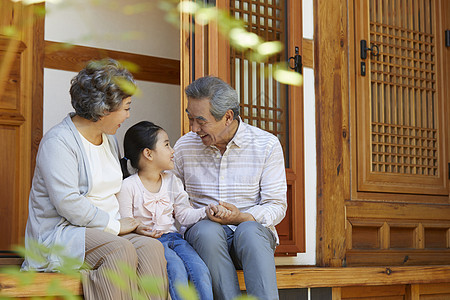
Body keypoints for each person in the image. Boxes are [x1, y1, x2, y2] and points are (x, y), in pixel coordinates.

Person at [22, 59, 170, 300]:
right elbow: (68, 203)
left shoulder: (108, 138)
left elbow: (112, 193)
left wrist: (128, 224)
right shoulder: (58, 143)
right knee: (118, 250)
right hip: (63, 233)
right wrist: (115, 226)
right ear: (103, 109)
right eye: (126, 107)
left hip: (104, 229)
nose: (128, 114)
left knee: (151, 248)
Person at [172, 76, 288, 300]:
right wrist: (201, 215)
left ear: (227, 116)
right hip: (205, 240)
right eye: (190, 119)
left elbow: (276, 204)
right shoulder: (184, 146)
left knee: (250, 231)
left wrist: (242, 216)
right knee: (207, 231)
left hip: (252, 240)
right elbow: (175, 201)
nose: (194, 128)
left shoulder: (266, 144)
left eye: (201, 121)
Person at [116, 121, 214, 300]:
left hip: (175, 239)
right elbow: (126, 222)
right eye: (167, 144)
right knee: (175, 269)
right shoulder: (128, 186)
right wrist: (138, 228)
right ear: (148, 153)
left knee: (200, 270)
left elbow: (184, 215)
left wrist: (207, 211)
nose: (173, 150)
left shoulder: (172, 181)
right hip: (150, 243)